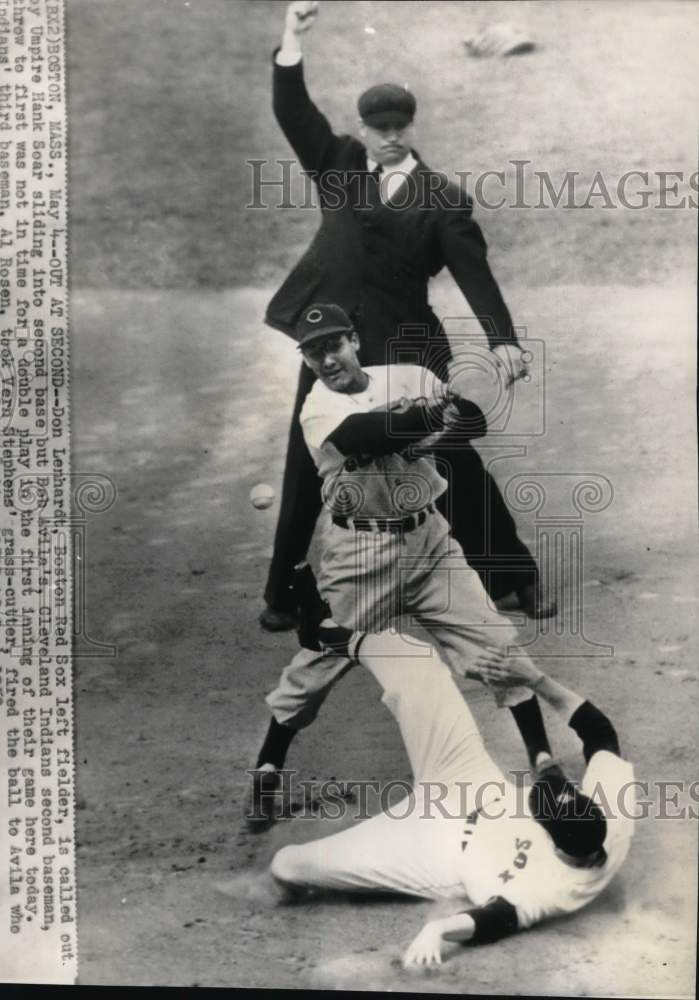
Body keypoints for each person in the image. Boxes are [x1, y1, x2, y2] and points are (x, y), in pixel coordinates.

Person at [260, 0, 556, 631]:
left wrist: (503, 339)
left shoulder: (443, 199)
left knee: (451, 455)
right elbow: (292, 111)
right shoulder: (337, 163)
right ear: (364, 129)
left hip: (411, 343)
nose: (390, 135)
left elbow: (475, 273)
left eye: (400, 125)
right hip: (334, 344)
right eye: (379, 126)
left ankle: (512, 578)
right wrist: (291, 38)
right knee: (310, 456)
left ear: (411, 126)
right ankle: (283, 594)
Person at [249, 304, 553, 826]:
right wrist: (435, 413)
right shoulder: (318, 410)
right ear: (306, 359)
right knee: (317, 665)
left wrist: (448, 420)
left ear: (355, 341)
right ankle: (267, 770)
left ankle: (544, 761)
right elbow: (369, 434)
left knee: (495, 642)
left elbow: (471, 423)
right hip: (359, 557)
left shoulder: (408, 376)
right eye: (313, 351)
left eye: (334, 344)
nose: (327, 359)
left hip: (431, 544)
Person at [265, 622, 635, 966]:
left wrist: (438, 929)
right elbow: (600, 732)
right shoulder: (612, 819)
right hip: (469, 778)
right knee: (414, 661)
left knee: (287, 865)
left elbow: (493, 920)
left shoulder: (551, 890)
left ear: (555, 843)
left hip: (430, 849)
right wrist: (535, 680)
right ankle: (333, 633)